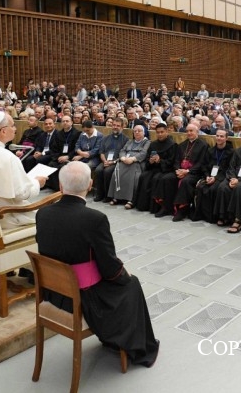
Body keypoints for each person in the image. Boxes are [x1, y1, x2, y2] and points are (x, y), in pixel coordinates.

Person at [36, 162, 159, 367]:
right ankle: (132, 346)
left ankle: (114, 339)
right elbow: (110, 267)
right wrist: (123, 275)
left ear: (60, 186)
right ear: (90, 185)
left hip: (53, 293)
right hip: (82, 298)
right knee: (132, 284)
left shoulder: (43, 213)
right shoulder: (95, 219)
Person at [0, 111, 47, 228]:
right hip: (5, 217)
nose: (15, 129)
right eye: (13, 125)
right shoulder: (8, 157)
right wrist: (37, 183)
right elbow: (21, 193)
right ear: (3, 131)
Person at [154, 123, 207, 221]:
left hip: (194, 173)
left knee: (186, 181)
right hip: (180, 171)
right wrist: (178, 170)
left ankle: (182, 210)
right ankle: (166, 207)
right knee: (166, 178)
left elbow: (201, 163)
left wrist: (187, 171)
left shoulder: (203, 145)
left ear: (197, 132)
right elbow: (177, 160)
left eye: (191, 131)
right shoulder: (182, 145)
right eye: (187, 131)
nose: (189, 133)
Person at [134, 122, 176, 213]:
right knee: (144, 176)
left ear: (167, 132)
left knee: (156, 179)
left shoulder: (172, 145)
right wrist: (150, 161)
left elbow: (171, 162)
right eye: (158, 132)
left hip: (165, 170)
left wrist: (160, 161)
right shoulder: (153, 144)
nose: (160, 134)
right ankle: (143, 205)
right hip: (153, 168)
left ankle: (156, 208)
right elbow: (147, 159)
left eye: (162, 132)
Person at [196, 129, 234, 224]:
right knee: (201, 187)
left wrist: (216, 178)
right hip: (210, 176)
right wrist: (207, 176)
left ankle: (214, 216)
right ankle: (203, 214)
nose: (219, 138)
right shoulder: (210, 150)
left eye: (222, 136)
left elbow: (229, 168)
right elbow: (204, 165)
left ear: (226, 138)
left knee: (214, 189)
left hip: (222, 177)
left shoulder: (231, 152)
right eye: (217, 136)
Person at [108, 125, 150, 208]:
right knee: (117, 172)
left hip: (137, 163)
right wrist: (123, 158)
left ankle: (131, 200)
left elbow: (143, 153)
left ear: (144, 132)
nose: (137, 132)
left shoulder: (147, 142)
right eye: (135, 131)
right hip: (125, 161)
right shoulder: (130, 141)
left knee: (133, 176)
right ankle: (117, 197)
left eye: (139, 131)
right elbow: (122, 150)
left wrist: (133, 159)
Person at [92, 118, 127, 202]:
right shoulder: (106, 138)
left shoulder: (125, 139)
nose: (115, 127)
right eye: (114, 125)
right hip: (105, 161)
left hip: (117, 162)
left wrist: (113, 162)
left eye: (118, 126)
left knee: (107, 172)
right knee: (98, 170)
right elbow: (101, 152)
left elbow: (124, 154)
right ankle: (99, 194)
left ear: (122, 127)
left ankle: (108, 195)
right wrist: (104, 161)